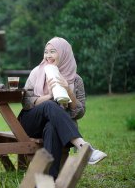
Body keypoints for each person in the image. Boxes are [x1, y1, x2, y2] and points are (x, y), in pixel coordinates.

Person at [18, 36, 107, 179]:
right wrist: (49, 96)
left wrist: (68, 90)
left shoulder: (76, 80)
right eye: (46, 52)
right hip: (30, 121)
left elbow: (79, 112)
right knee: (50, 104)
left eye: (52, 52)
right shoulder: (37, 72)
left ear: (64, 53)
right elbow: (26, 101)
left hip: (57, 125)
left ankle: (50, 179)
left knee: (52, 127)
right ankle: (82, 146)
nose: (48, 56)